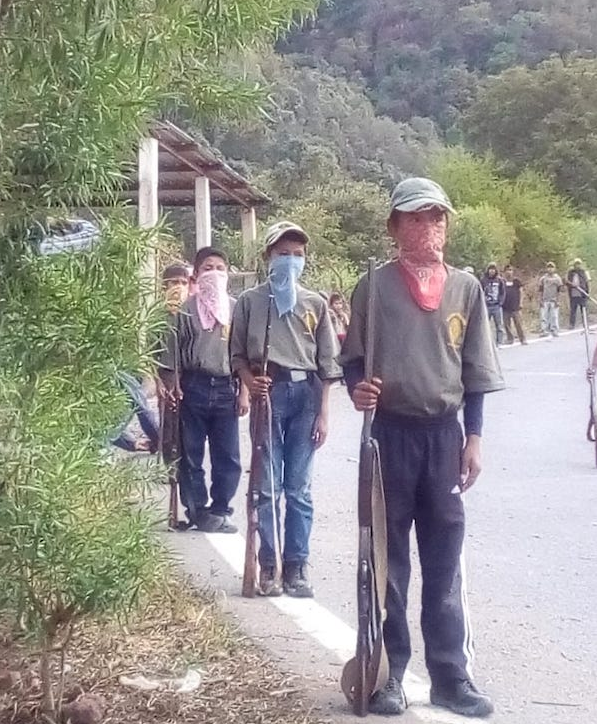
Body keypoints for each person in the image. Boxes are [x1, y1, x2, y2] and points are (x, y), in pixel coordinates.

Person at [341, 177, 504, 718]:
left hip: (443, 438)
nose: (427, 227)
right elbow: (352, 362)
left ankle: (451, 678)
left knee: (444, 563)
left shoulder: (467, 289)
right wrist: (357, 390)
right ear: (394, 227)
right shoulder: (373, 287)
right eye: (414, 217)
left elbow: (476, 375)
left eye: (436, 217)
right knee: (387, 564)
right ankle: (389, 677)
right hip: (389, 437)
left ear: (446, 225)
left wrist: (473, 439)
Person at [230, 221, 342, 598]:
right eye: (283, 255)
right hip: (267, 394)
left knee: (299, 487)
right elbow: (237, 355)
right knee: (266, 485)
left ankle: (296, 565)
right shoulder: (250, 302)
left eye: (297, 255)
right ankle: (268, 563)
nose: (291, 261)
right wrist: (248, 380)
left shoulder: (316, 304)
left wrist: (324, 412)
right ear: (268, 257)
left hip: (305, 397)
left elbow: (328, 364)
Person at [160, 248, 249, 533]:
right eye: (208, 267)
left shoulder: (237, 309)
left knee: (229, 456)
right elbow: (169, 351)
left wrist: (244, 392)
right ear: (196, 275)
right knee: (190, 453)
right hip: (193, 387)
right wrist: (172, 384)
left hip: (227, 388)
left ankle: (221, 508)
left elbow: (247, 354)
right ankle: (197, 509)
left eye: (220, 268)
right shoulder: (183, 311)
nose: (215, 272)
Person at [480, 262, 506, 346]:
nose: (492, 271)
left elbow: (503, 292)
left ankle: (500, 342)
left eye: (493, 269)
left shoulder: (499, 280)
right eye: (490, 269)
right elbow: (480, 292)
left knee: (499, 325)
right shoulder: (483, 280)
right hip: (486, 306)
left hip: (496, 306)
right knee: (485, 325)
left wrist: (500, 302)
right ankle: (486, 343)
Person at [502, 264, 527, 345]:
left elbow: (521, 292)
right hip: (505, 307)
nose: (509, 272)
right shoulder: (502, 281)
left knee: (518, 324)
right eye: (507, 270)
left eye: (510, 270)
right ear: (504, 272)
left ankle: (522, 339)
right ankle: (510, 338)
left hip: (515, 307)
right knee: (506, 324)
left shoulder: (516, 281)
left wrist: (521, 302)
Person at [538, 262, 563, 337]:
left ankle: (554, 330)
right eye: (548, 267)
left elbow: (559, 290)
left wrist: (558, 300)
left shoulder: (557, 278)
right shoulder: (543, 278)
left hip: (554, 300)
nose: (550, 269)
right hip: (545, 299)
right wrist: (540, 299)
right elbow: (540, 289)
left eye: (552, 267)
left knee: (554, 316)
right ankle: (544, 330)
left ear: (554, 269)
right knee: (543, 316)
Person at [566, 258, 590, 330]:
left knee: (584, 310)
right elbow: (566, 281)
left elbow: (588, 282)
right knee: (573, 310)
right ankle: (572, 325)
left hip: (582, 294)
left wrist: (588, 292)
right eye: (576, 264)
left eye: (579, 264)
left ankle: (585, 324)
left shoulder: (584, 272)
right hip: (573, 295)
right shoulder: (570, 272)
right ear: (574, 264)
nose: (577, 265)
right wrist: (571, 284)